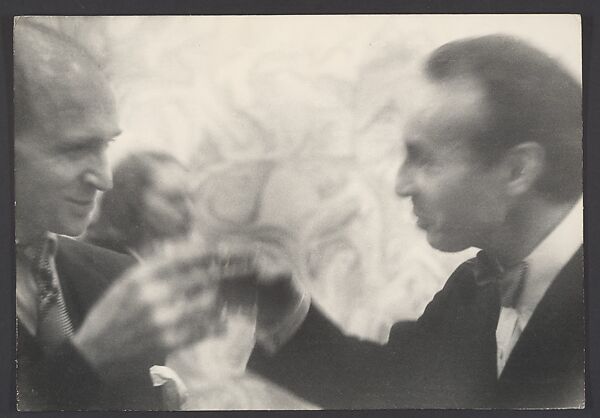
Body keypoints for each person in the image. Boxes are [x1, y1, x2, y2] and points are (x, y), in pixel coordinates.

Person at [249, 34, 583, 408]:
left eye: (423, 159)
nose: (400, 185)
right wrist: (282, 310)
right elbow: (394, 387)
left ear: (517, 171)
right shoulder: (472, 289)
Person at [14, 20, 257, 411]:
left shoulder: (113, 276)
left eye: (106, 145)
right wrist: (89, 360)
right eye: (75, 150)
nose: (104, 178)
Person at [83, 151, 192, 257]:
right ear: (134, 200)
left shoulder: (164, 255)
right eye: (174, 199)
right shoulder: (92, 258)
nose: (189, 210)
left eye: (191, 198)